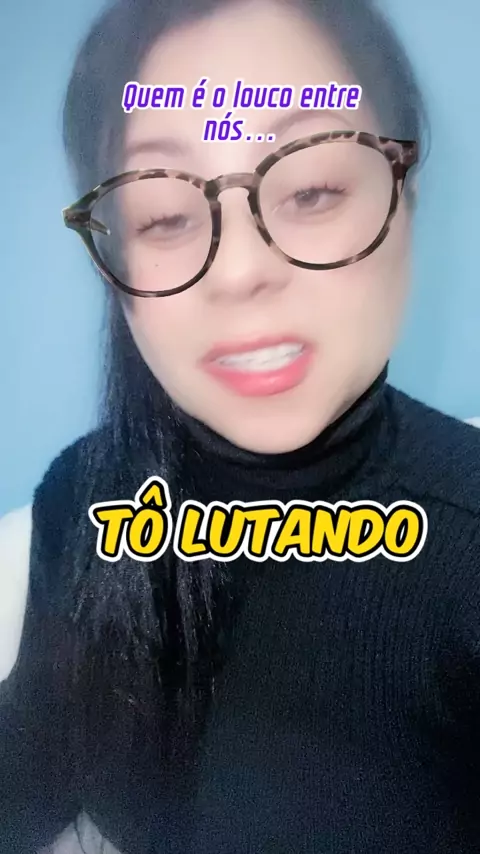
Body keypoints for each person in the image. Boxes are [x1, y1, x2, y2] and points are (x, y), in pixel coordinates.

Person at [1, 0, 480, 851]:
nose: (238, 269)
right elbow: (30, 768)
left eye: (313, 190)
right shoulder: (83, 500)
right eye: (164, 217)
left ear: (407, 194)